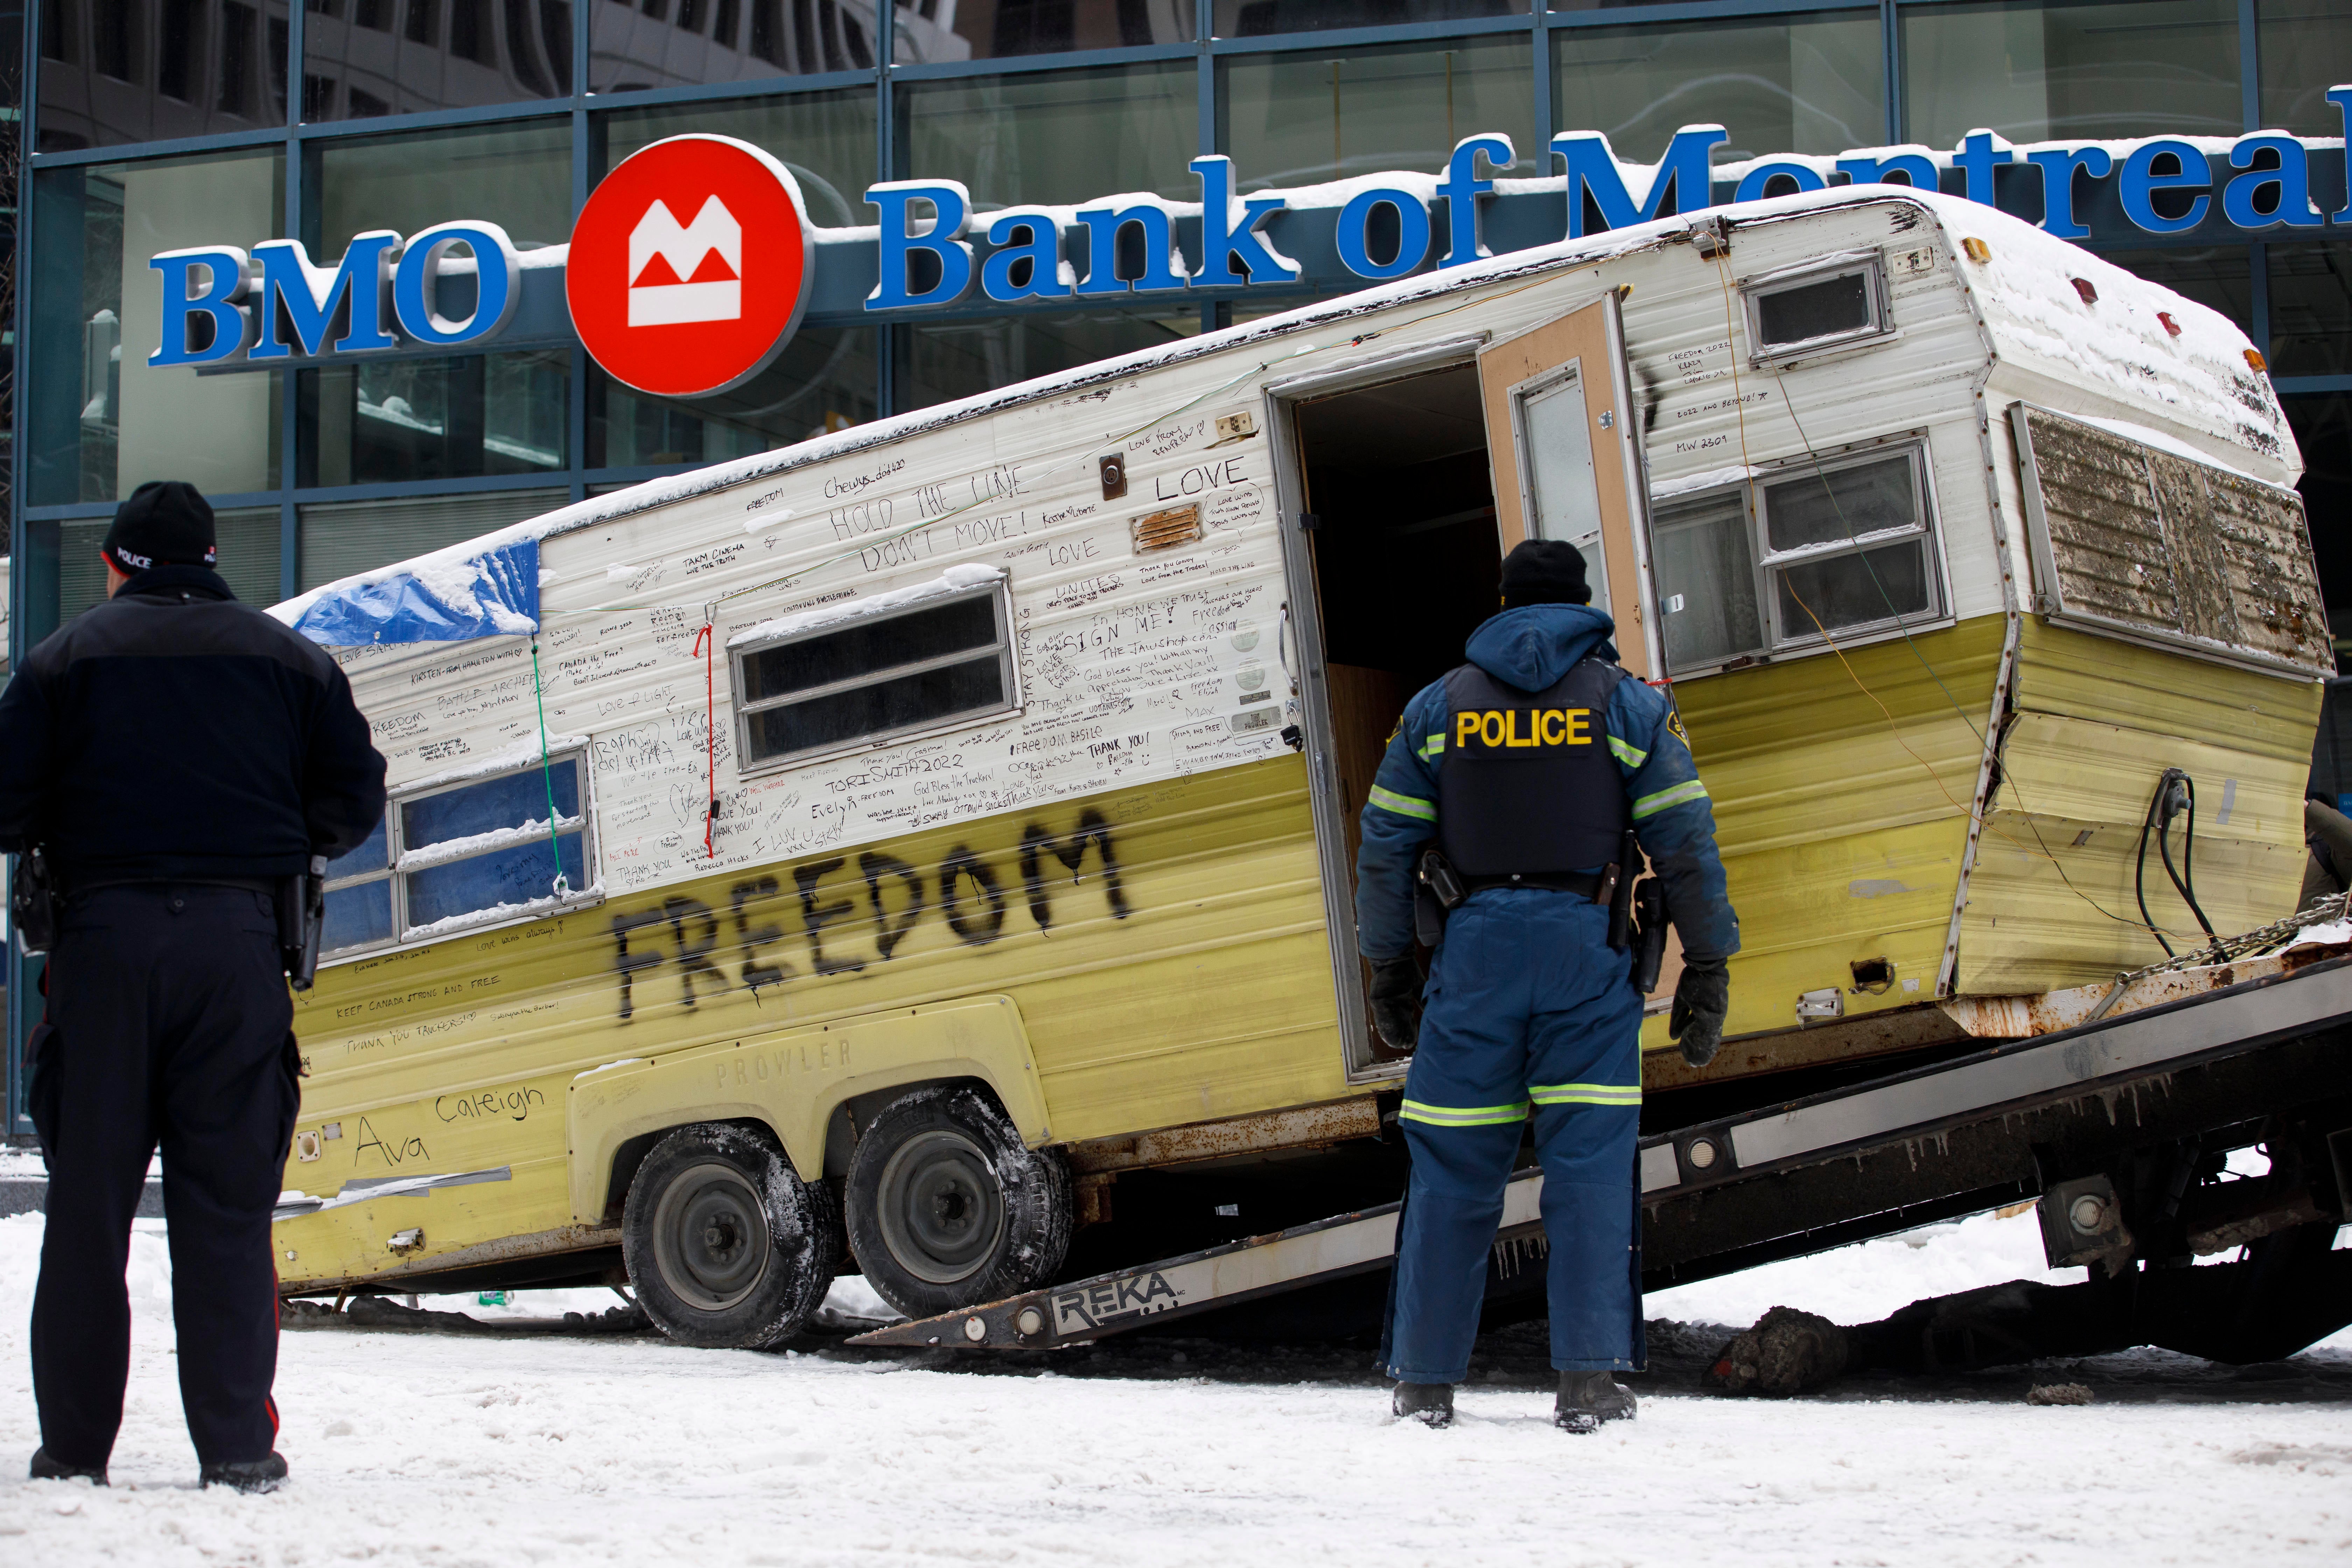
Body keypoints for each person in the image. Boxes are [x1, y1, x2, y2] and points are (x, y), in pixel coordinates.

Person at [0, 481, 386, 1492]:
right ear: (213, 560)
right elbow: (353, 801)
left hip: (106, 949)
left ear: (119, 561)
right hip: (236, 949)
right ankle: (237, 1451)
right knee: (226, 1214)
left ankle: (75, 1452)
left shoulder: (66, 659)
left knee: (88, 1213)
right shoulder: (290, 659)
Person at [1354, 538, 1738, 1432]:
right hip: (1586, 955)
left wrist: (1389, 972)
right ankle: (1588, 1383)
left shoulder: (1437, 708)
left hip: (1473, 958)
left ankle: (1424, 1381)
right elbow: (1684, 841)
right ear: (1582, 604)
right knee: (1590, 1169)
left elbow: (1385, 848)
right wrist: (1708, 964)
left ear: (1502, 603)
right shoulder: (1627, 705)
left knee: (1451, 1170)